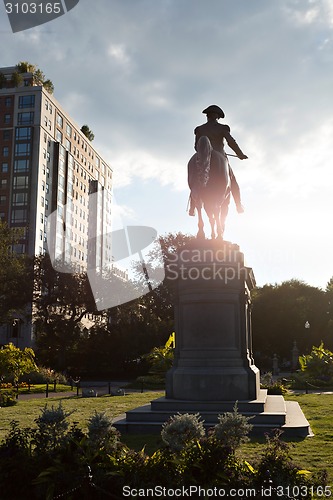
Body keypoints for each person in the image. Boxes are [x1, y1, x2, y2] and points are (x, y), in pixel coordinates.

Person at [189, 104, 247, 216]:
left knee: (195, 177)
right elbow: (231, 142)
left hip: (201, 157)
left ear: (207, 116)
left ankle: (192, 207)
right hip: (220, 156)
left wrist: (204, 153)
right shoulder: (222, 128)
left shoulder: (199, 129)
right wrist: (240, 154)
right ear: (217, 117)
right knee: (233, 180)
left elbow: (196, 147)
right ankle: (238, 205)